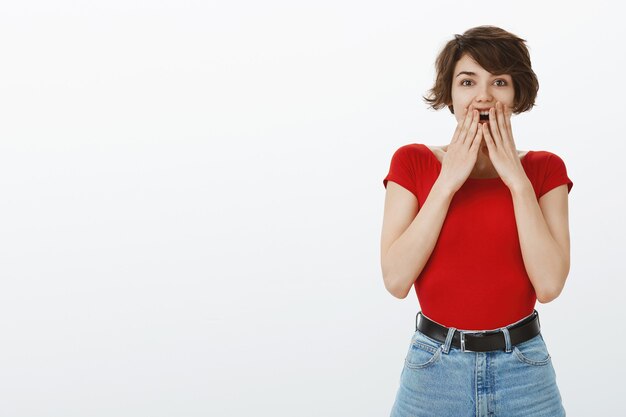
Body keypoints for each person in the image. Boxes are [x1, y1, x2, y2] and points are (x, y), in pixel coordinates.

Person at [381, 25, 572, 416]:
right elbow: (396, 280)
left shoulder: (545, 169)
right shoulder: (412, 162)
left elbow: (550, 285)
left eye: (499, 81)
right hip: (433, 371)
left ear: (517, 92)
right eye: (468, 81)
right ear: (450, 93)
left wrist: (516, 182)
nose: (483, 95)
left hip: (525, 371)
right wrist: (447, 181)